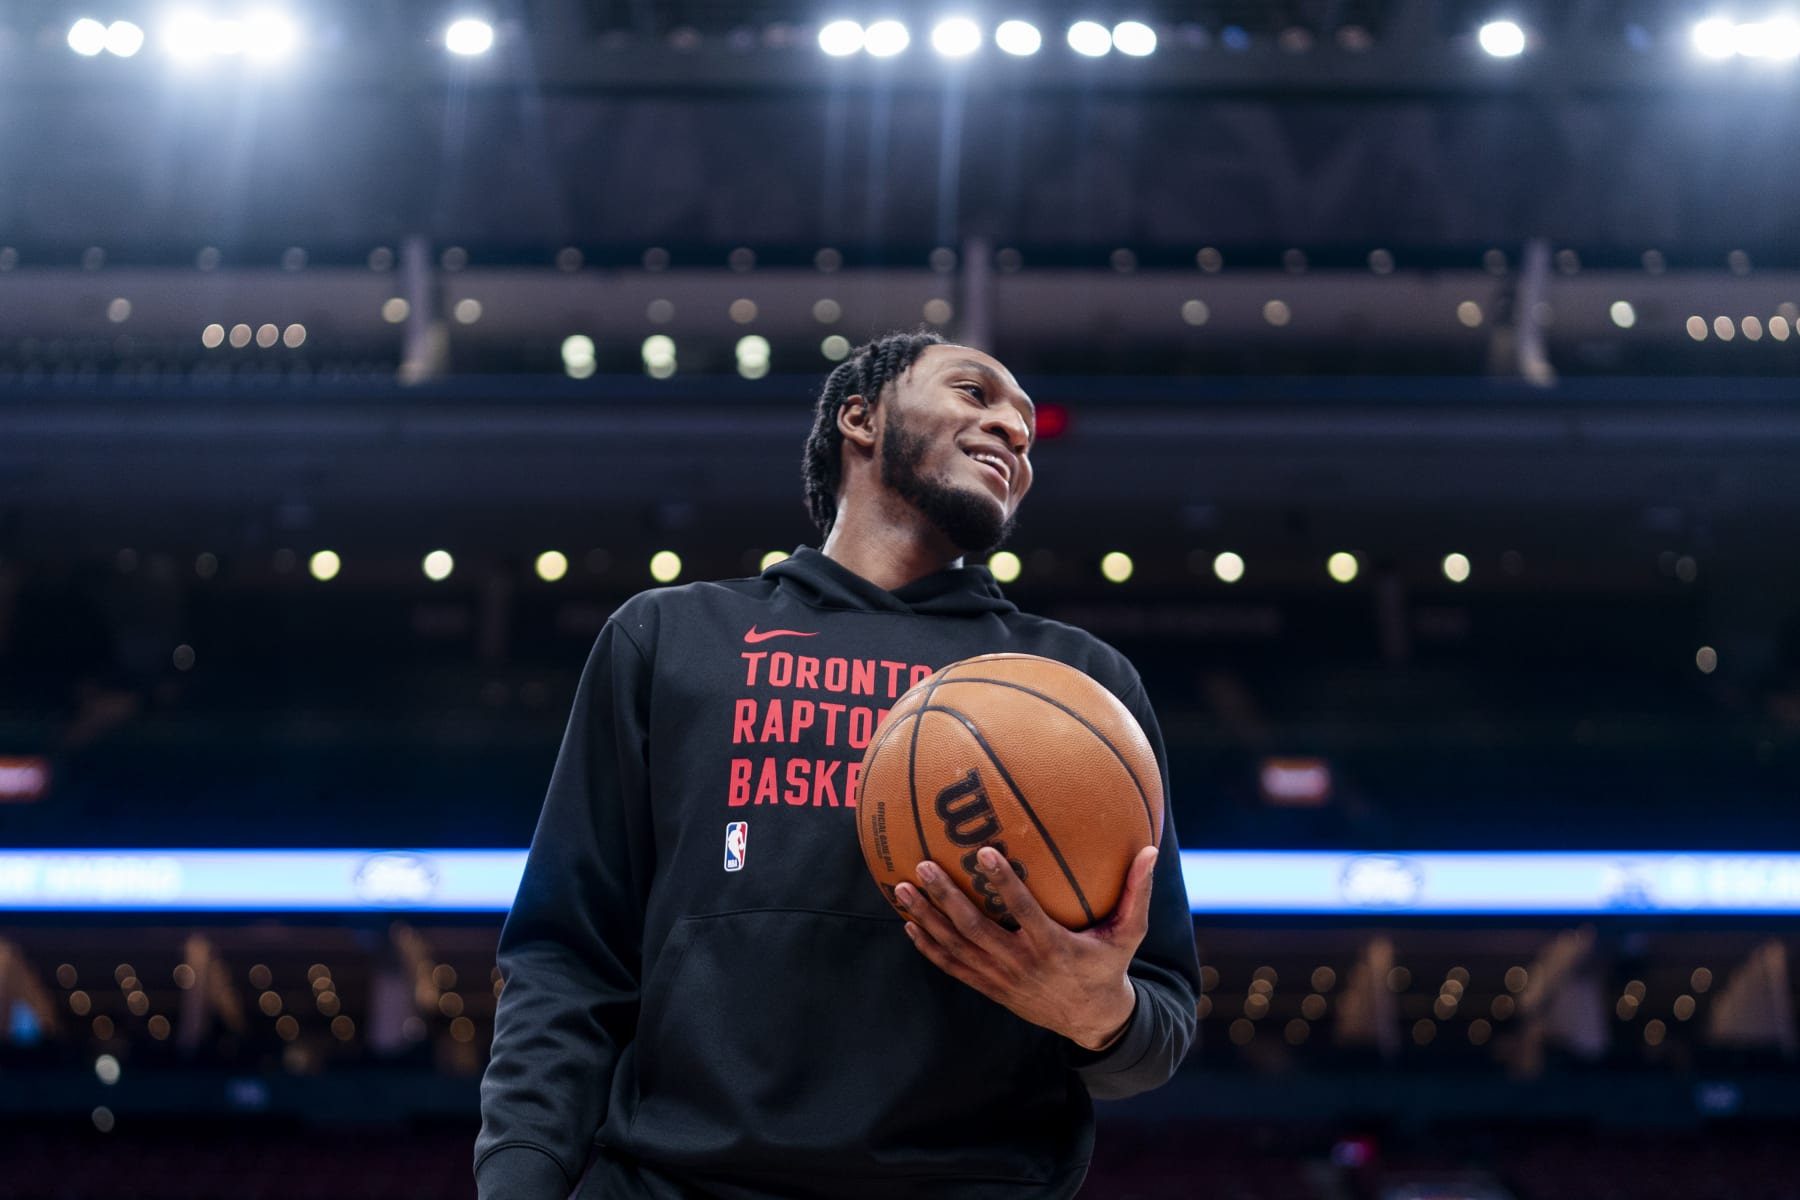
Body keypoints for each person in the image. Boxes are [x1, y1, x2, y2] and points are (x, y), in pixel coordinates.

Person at [475, 331, 1200, 1200]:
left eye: (1026, 427)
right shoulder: (671, 637)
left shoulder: (1080, 686)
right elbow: (567, 961)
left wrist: (1097, 1013)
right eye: (975, 394)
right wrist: (520, 1180)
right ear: (861, 417)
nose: (1013, 429)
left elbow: (1158, 1020)